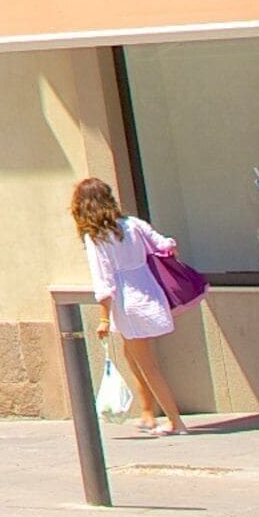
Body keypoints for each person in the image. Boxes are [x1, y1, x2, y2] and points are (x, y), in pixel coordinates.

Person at [71, 176, 190, 437]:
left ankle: (174, 421)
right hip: (149, 292)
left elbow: (104, 282)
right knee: (132, 354)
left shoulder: (96, 237)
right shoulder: (133, 224)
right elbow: (166, 245)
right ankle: (147, 412)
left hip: (128, 302)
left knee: (147, 364)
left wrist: (103, 319)